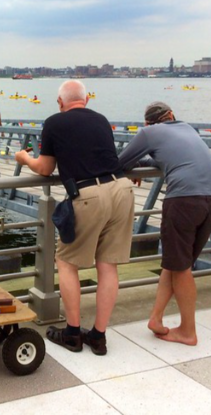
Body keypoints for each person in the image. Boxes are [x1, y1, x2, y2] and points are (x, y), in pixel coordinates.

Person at [15, 80, 134, 355]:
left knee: (66, 262)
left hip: (90, 193)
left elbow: (45, 168)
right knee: (108, 265)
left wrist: (24, 158)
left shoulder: (54, 122)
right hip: (122, 189)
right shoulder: (101, 120)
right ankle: (98, 336)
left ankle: (72, 333)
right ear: (86, 100)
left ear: (60, 102)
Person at [119, 101, 211, 346]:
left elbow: (118, 162)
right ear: (172, 115)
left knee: (181, 267)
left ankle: (188, 331)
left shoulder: (149, 133)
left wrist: (131, 168)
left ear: (147, 123)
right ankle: (155, 318)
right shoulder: (188, 129)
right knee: (178, 263)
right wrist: (139, 165)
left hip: (185, 200)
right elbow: (164, 160)